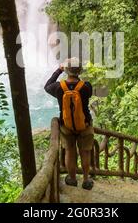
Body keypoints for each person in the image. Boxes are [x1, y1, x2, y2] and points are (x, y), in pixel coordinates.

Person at [44, 57, 94, 190]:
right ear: (80, 70)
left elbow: (47, 86)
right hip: (85, 125)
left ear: (66, 70)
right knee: (85, 152)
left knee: (70, 152)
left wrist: (58, 70)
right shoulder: (86, 87)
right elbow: (88, 95)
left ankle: (72, 179)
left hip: (66, 126)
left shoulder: (59, 87)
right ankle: (86, 180)